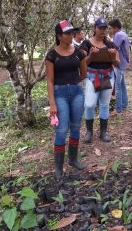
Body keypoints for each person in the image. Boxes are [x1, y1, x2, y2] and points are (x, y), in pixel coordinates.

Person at [45, 20, 87, 179]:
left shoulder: (79, 52)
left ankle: (73, 159)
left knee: (76, 126)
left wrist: (74, 82)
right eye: (67, 33)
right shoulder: (51, 55)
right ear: (59, 36)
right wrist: (52, 103)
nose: (71, 35)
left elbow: (83, 73)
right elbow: (49, 80)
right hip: (60, 93)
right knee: (62, 130)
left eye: (72, 33)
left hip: (77, 92)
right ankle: (58, 167)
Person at [80, 18, 120, 143]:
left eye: (105, 28)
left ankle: (103, 132)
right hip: (92, 77)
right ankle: (89, 131)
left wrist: (113, 57)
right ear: (95, 28)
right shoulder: (86, 44)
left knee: (104, 104)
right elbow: (82, 64)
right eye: (100, 28)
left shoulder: (110, 44)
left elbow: (117, 63)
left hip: (107, 76)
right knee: (90, 104)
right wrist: (91, 56)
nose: (103, 30)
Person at [108, 19, 130, 114]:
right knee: (122, 85)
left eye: (110, 28)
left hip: (119, 63)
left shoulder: (118, 35)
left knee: (117, 86)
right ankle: (124, 104)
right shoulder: (123, 34)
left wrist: (108, 40)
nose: (110, 30)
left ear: (115, 28)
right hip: (123, 62)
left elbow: (114, 48)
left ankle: (119, 109)